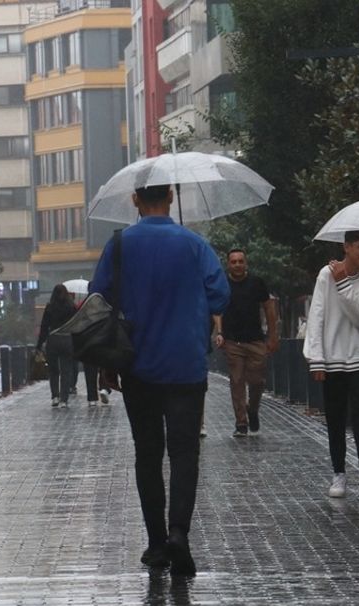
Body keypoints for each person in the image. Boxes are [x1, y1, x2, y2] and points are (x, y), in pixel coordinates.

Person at [90, 184, 229, 577]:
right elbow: (219, 295)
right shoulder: (194, 244)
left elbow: (99, 300)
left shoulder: (118, 246)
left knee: (148, 453)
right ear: (172, 196)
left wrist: (106, 362)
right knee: (185, 453)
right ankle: (179, 533)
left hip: (137, 365)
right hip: (186, 364)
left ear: (135, 199)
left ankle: (155, 543)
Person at [304, 230, 359, 499]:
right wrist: (316, 359)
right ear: (346, 246)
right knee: (336, 418)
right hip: (332, 359)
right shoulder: (325, 275)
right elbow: (316, 316)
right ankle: (339, 473)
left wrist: (343, 284)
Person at [214, 248, 279, 437]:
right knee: (236, 381)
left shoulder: (257, 283)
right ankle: (241, 422)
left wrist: (273, 335)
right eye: (233, 262)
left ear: (246, 263)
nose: (237, 265)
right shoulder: (223, 285)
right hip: (233, 341)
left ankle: (253, 408)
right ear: (228, 264)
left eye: (240, 261)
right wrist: (219, 332)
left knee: (257, 381)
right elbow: (217, 309)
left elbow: (268, 308)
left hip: (255, 340)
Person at [36, 284, 78, 408]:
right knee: (66, 371)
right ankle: (64, 399)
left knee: (53, 370)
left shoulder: (50, 307)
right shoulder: (71, 307)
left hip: (53, 340)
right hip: (67, 339)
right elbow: (76, 325)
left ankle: (55, 396)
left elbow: (44, 327)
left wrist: (39, 344)